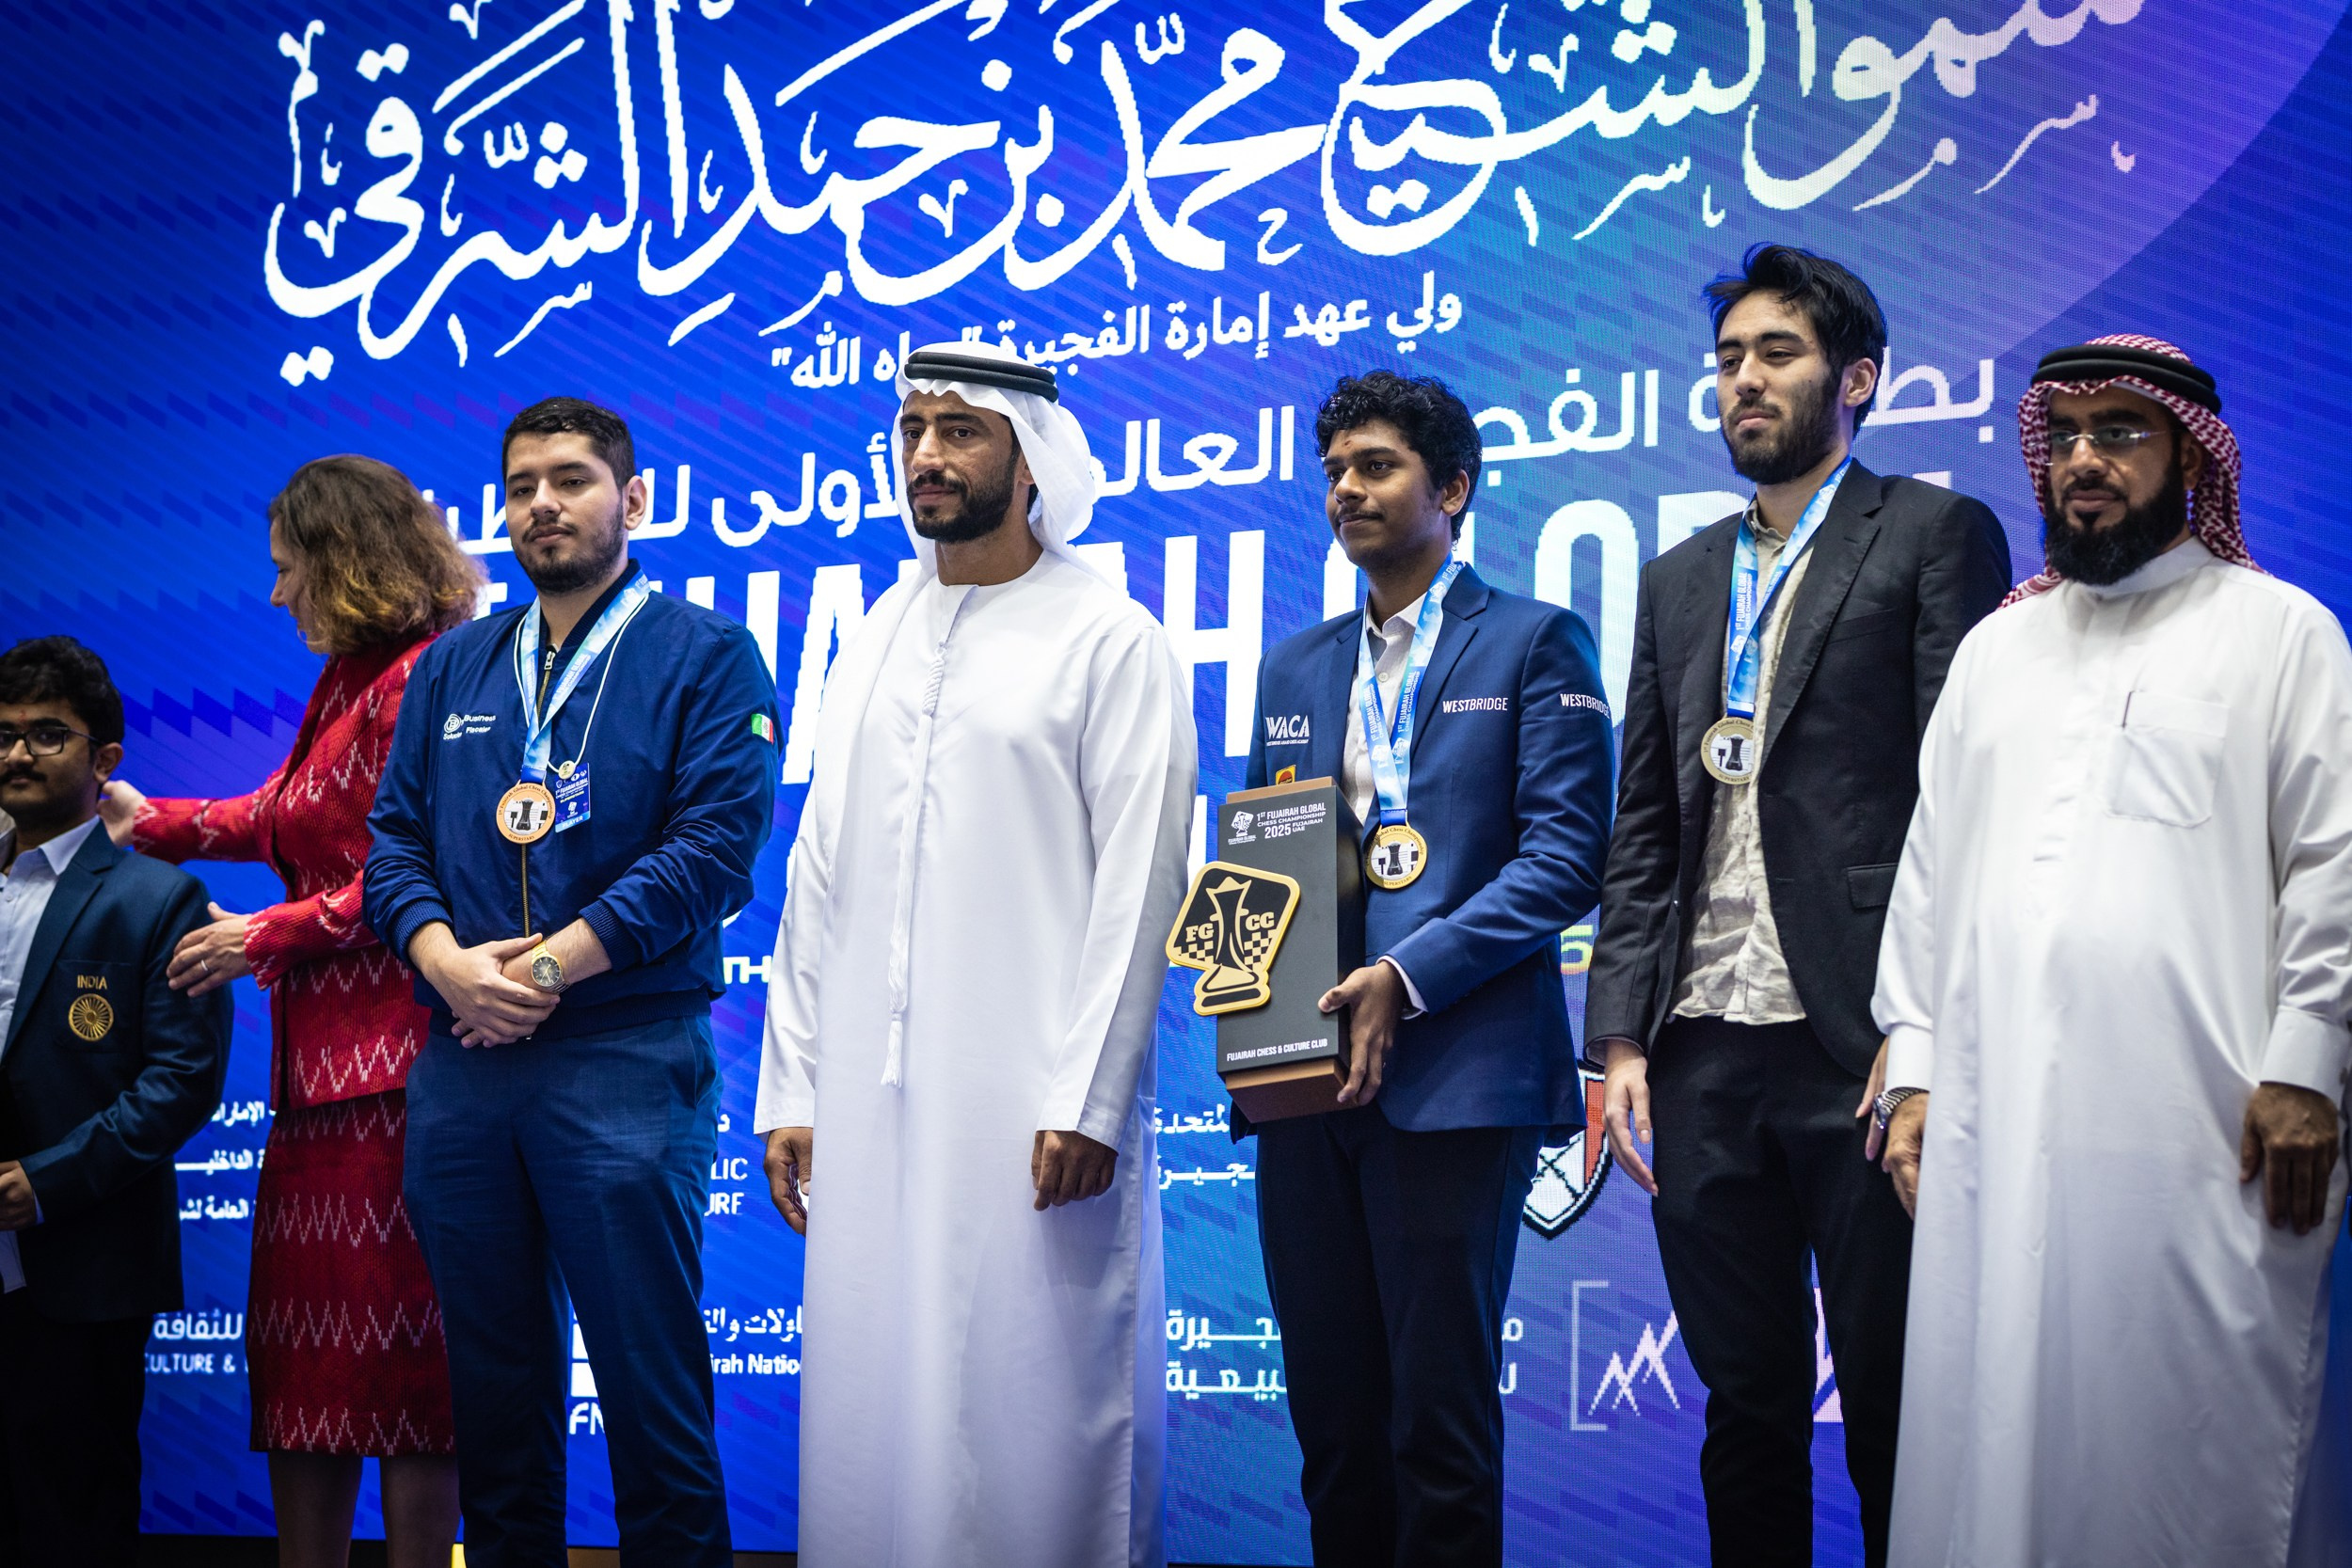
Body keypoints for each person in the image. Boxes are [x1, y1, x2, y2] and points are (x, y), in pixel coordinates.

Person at [1873, 335, 2350, 1568]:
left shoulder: (2281, 634)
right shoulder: (1996, 653)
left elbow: (2335, 861)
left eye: (2121, 432)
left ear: (2192, 454)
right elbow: (1932, 875)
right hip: (1992, 1130)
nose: (2086, 460)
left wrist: (2308, 1062)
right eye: (2067, 434)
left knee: (2186, 1443)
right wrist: (1915, 1064)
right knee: (1990, 1436)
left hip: (2199, 1133)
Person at [1584, 244, 2012, 1568]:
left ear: (1859, 379)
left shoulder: (1935, 535)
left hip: (1863, 1045)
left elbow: (1967, 799)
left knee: (1898, 1412)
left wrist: (1927, 1025)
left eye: (1778, 352)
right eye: (1729, 360)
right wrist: (1617, 1038)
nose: (1745, 381)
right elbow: (1646, 819)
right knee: (1745, 1407)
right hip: (1702, 1046)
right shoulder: (1677, 576)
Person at [756, 341, 1196, 1568]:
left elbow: (1141, 884)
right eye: (915, 431)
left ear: (1029, 457)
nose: (930, 456)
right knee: (872, 1402)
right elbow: (818, 877)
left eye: (961, 431)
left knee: (1037, 1406)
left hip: (1033, 1114)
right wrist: (796, 1085)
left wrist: (1091, 1097)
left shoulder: (1111, 637)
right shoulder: (880, 630)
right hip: (869, 1106)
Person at [364, 398, 778, 1565]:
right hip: (464, 1063)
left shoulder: (704, 653)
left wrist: (543, 967)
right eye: (522, 485)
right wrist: (447, 963)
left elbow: (712, 852)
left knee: (652, 1396)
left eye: (572, 479)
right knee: (493, 1403)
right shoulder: (454, 665)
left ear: (632, 500)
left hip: (624, 1055)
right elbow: (392, 843)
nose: (542, 503)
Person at [1240, 370, 1617, 1566]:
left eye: (1378, 466)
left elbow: (1568, 859)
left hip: (1453, 1078)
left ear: (1451, 488)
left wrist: (1403, 977)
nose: (1348, 489)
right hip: (1306, 1087)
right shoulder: (1295, 667)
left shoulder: (1533, 636)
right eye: (1336, 470)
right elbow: (1266, 853)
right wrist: (1236, 994)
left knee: (1436, 1429)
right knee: (1333, 1425)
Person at [101, 455, 476, 1568]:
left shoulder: (423, 677)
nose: (276, 596)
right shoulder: (353, 677)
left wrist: (259, 933)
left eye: (288, 569)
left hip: (404, 1078)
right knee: (303, 1365)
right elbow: (286, 811)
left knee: (409, 1371)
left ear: (344, 558)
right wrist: (152, 819)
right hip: (320, 1086)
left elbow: (415, 877)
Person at [0, 636, 231, 1564]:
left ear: (106, 761)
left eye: (46, 734)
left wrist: (41, 1182)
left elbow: (181, 1082)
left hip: (79, 1256)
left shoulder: (160, 898)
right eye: (5, 734)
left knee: (72, 1508)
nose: (17, 754)